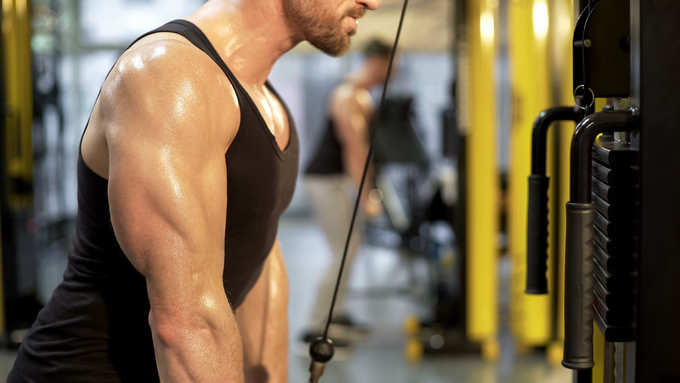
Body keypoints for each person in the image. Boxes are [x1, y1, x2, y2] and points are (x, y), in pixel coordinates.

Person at [7, 0, 381, 382]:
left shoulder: (265, 99)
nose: (373, 2)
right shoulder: (169, 75)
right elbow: (187, 326)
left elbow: (259, 264)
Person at [302, 38, 392, 348]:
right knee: (344, 250)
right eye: (393, 65)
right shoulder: (349, 96)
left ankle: (336, 316)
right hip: (327, 180)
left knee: (351, 247)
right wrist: (367, 195)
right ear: (378, 62)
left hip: (337, 179)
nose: (395, 72)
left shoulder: (362, 96)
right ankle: (315, 327)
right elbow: (356, 149)